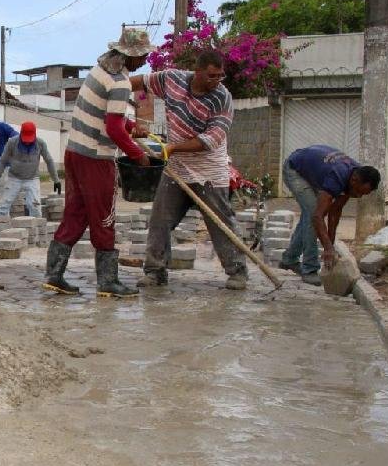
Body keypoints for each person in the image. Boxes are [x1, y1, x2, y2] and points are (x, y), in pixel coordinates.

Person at [44, 28, 153, 299]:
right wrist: (137, 154)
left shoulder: (99, 70)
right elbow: (113, 129)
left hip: (75, 152)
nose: (144, 61)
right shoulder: (120, 82)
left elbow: (108, 116)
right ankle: (108, 281)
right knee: (105, 216)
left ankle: (53, 275)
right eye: (142, 56)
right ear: (129, 55)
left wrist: (132, 127)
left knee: (75, 213)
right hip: (96, 157)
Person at [130, 49, 248, 290]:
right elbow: (139, 81)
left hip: (209, 171)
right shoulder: (172, 79)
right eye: (212, 75)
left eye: (220, 76)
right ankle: (155, 271)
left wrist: (173, 147)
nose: (217, 81)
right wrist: (113, 92)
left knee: (221, 223)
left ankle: (237, 271)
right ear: (198, 71)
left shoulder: (223, 98)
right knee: (160, 220)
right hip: (177, 168)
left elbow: (210, 140)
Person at [279, 144, 380, 286]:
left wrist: (330, 244)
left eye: (363, 194)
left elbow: (335, 212)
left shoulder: (355, 176)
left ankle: (289, 259)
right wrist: (327, 248)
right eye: (359, 192)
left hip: (314, 167)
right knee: (313, 212)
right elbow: (317, 217)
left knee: (311, 213)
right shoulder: (337, 176)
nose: (359, 196)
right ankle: (309, 268)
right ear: (354, 181)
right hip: (294, 168)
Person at [0, 121, 60, 218]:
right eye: (25, 139)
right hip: (14, 178)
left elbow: (49, 161)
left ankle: (36, 227)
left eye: (29, 139)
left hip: (32, 179)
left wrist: (56, 180)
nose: (27, 142)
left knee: (35, 207)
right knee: (2, 206)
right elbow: (3, 161)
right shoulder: (12, 142)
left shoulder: (40, 143)